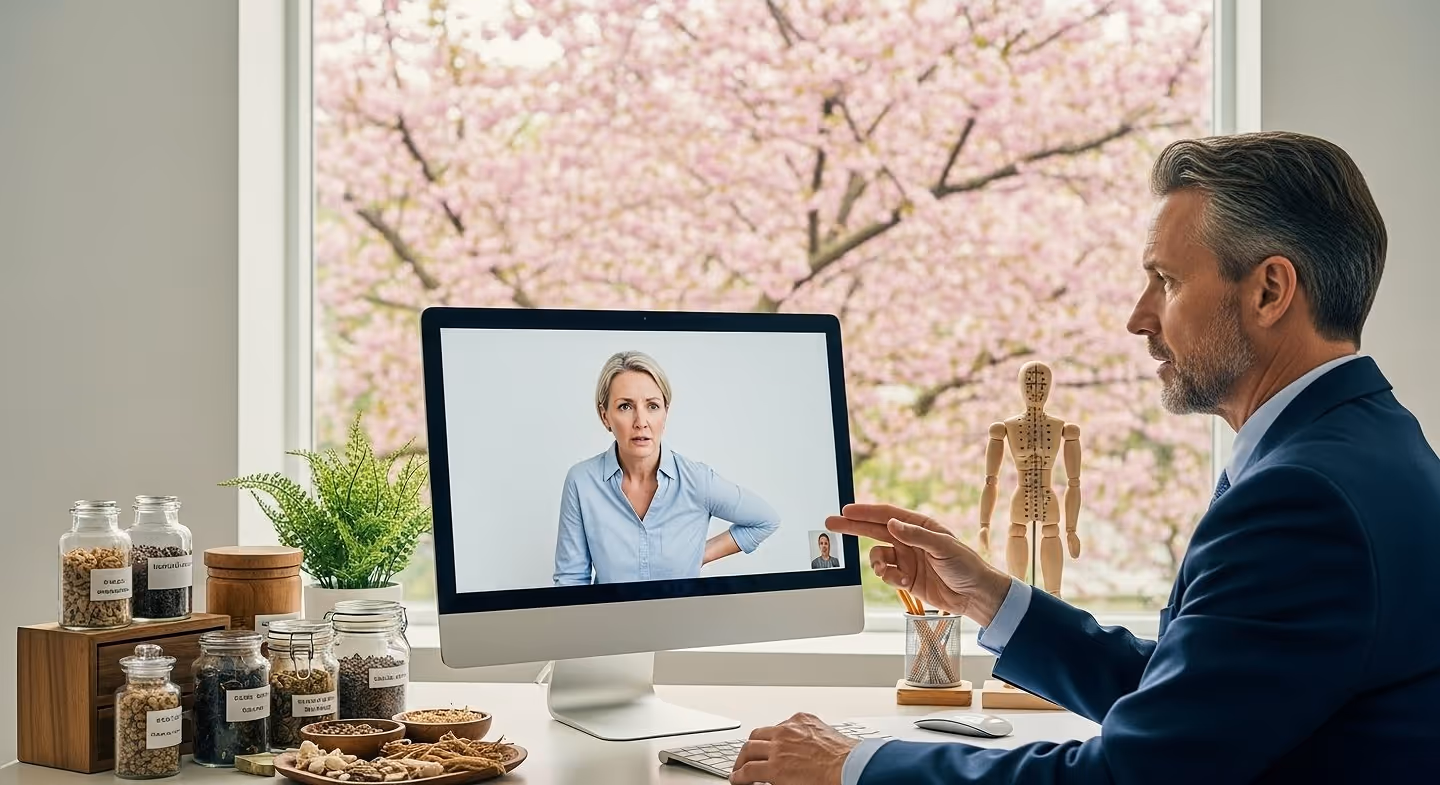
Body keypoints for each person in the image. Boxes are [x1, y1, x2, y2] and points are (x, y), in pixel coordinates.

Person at [729, 131, 1440, 784]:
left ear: (1269, 290)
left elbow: (1126, 777)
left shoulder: (1302, 498)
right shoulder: (1365, 447)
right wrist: (986, 595)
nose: (1138, 316)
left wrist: (855, 764)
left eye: (1165, 281)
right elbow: (1191, 697)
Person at [553, 350, 781, 586]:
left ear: (666, 413)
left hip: (683, 621)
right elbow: (571, 581)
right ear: (605, 416)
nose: (641, 422)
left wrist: (698, 555)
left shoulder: (696, 480)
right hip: (609, 623)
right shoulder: (582, 483)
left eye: (652, 406)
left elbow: (765, 520)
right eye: (625, 407)